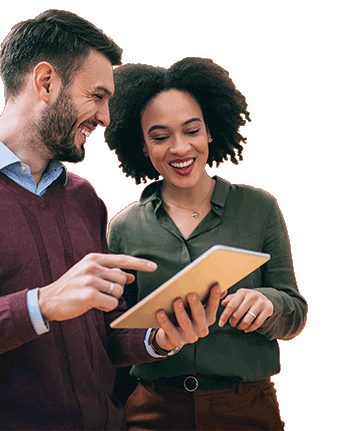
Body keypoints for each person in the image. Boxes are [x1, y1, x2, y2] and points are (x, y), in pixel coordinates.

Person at [0, 12, 224, 431]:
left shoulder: (84, 198)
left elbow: (100, 331)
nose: (106, 117)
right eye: (97, 96)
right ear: (46, 82)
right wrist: (40, 304)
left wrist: (159, 338)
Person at [105, 58, 307, 430]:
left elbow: (295, 312)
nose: (180, 149)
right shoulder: (123, 228)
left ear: (210, 131)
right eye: (160, 137)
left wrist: (269, 302)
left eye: (192, 130)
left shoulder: (259, 209)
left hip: (246, 410)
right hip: (153, 410)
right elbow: (113, 337)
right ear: (144, 146)